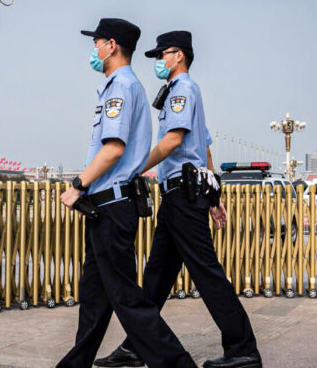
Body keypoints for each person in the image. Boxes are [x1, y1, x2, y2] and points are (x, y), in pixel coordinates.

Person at [95, 31, 261, 368]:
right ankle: (135, 347)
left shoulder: (182, 89)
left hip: (183, 196)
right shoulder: (182, 91)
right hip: (181, 195)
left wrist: (133, 167)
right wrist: (213, 194)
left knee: (206, 272)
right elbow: (206, 146)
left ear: (179, 56)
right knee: (156, 276)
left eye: (162, 55)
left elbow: (172, 141)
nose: (158, 61)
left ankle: (243, 350)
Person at [57, 18, 196, 368]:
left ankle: (179, 364)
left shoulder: (120, 86)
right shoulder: (119, 85)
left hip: (112, 205)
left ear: (112, 46)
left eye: (98, 42)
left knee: (127, 299)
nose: (94, 50)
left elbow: (114, 149)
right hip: (109, 205)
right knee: (95, 297)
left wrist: (77, 185)